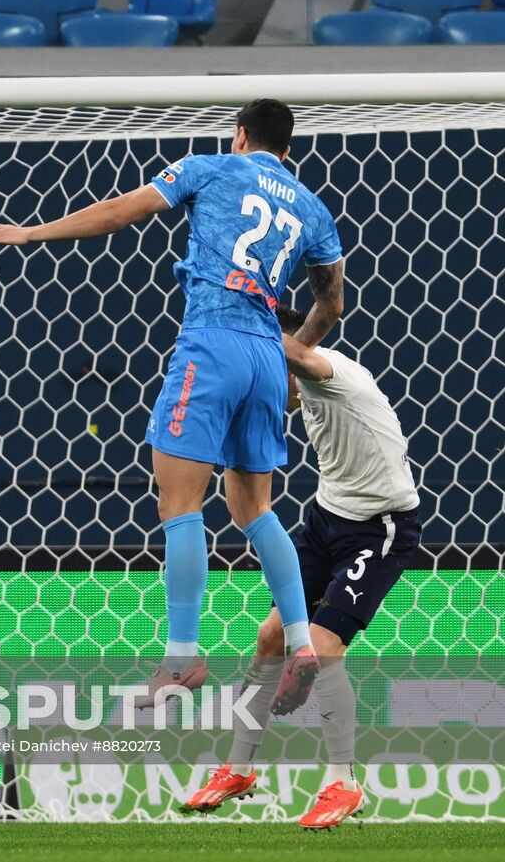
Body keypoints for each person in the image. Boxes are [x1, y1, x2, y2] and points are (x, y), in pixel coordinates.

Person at [0, 99, 346, 713]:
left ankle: (182, 658)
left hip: (212, 346)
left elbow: (123, 212)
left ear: (241, 135)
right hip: (265, 358)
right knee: (256, 511)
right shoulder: (312, 207)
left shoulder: (213, 167)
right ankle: (301, 643)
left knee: (180, 504)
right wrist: (294, 355)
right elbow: (331, 303)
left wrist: (32, 233)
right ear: (289, 150)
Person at [183, 307, 421, 830]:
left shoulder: (331, 375)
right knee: (271, 636)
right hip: (325, 521)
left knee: (323, 644)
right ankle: (238, 768)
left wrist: (238, 328)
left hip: (379, 528)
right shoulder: (301, 392)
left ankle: (344, 783)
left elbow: (299, 353)